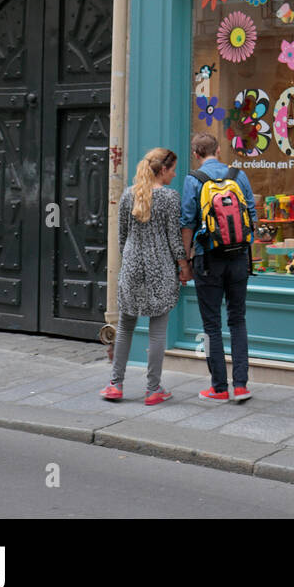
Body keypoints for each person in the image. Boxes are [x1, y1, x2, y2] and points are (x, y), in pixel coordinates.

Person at [101, 148, 188, 405]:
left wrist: (130, 259)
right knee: (157, 331)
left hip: (132, 266)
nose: (174, 174)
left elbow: (122, 236)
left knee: (126, 326)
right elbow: (174, 238)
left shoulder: (129, 194)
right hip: (159, 267)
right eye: (172, 169)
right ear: (163, 170)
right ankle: (153, 389)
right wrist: (183, 264)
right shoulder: (170, 198)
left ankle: (115, 385)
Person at [181, 132, 257, 402]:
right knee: (238, 320)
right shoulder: (239, 176)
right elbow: (252, 215)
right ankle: (241, 386)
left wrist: (185, 260)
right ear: (219, 150)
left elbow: (187, 222)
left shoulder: (194, 180)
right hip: (238, 258)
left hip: (208, 259)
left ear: (196, 154)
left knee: (211, 325)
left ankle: (218, 387)